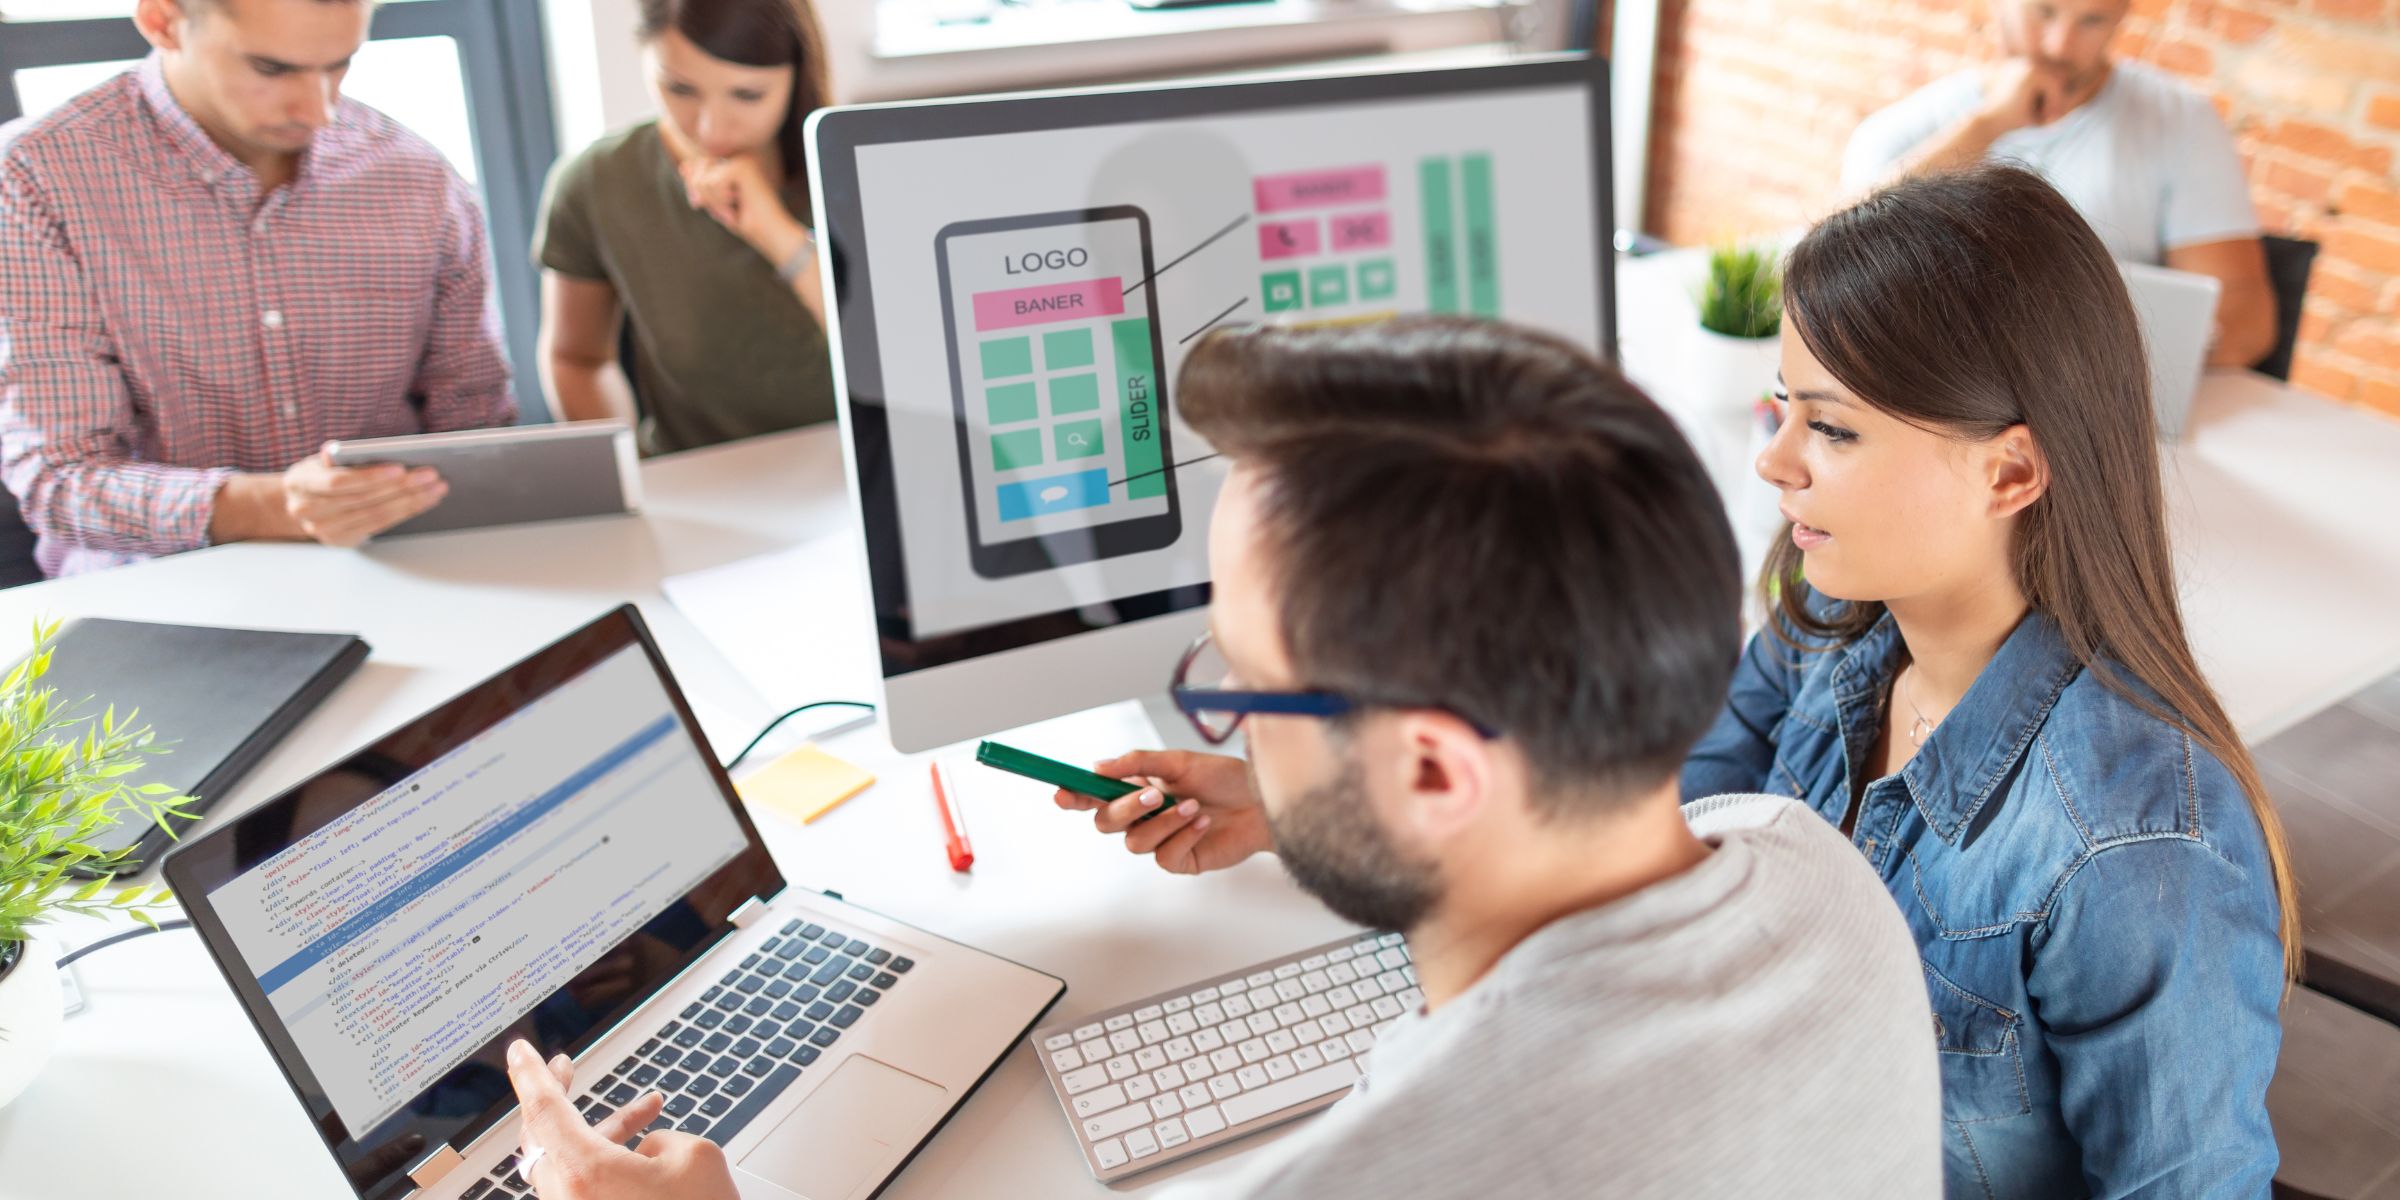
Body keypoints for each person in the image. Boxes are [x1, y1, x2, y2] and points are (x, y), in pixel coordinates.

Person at [500, 316, 1946, 1198]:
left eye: (1248, 687)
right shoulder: (1810, 868)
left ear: (1439, 772)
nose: (1229, 719)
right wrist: (1301, 803)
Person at [1681, 164, 2294, 1198]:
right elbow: (1687, 825)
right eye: (1782, 408)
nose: (1775, 461)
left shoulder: (2134, 854)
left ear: (2010, 472)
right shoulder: (1828, 622)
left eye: (1829, 428)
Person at [0, 0, 516, 576]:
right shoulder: (36, 177)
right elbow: (59, 478)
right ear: (162, 21)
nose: (318, 109)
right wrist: (278, 507)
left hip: (401, 569)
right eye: (272, 69)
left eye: (339, 64)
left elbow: (473, 421)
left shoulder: (420, 178)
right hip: (156, 591)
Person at [1841, 0, 2276, 368]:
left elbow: (2248, 322)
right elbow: (1838, 260)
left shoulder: (2181, 122)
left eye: (2092, 20)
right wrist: (1987, 125)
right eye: (2044, 11)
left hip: (2099, 408)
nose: (2058, 45)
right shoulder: (1903, 129)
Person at [532, 0, 837, 457]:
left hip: (855, 468)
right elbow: (578, 358)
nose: (711, 126)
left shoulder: (858, 162)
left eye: (747, 95)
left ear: (798, 73)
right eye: (679, 88)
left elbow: (896, 360)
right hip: (693, 481)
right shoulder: (596, 183)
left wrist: (776, 232)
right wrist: (631, 468)